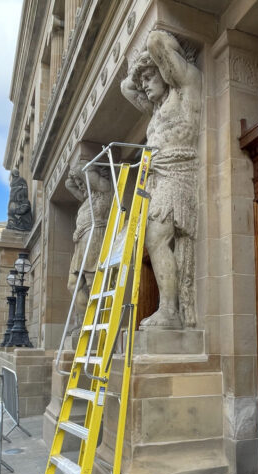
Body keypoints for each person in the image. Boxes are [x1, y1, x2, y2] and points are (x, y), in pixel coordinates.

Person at [121, 29, 202, 328]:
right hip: (157, 176)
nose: (143, 84)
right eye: (142, 80)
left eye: (149, 77)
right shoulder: (156, 108)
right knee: (153, 239)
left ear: (166, 72)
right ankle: (169, 308)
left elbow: (155, 39)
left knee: (156, 238)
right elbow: (125, 88)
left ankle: (170, 311)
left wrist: (150, 54)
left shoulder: (186, 88)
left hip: (178, 171)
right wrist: (140, 70)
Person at [65, 161, 111, 331]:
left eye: (81, 182)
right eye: (79, 184)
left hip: (95, 236)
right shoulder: (88, 198)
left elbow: (82, 171)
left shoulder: (104, 188)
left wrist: (80, 169)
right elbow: (68, 184)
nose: (79, 186)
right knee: (73, 284)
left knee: (93, 282)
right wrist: (74, 178)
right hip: (82, 240)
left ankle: (97, 323)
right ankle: (84, 320)